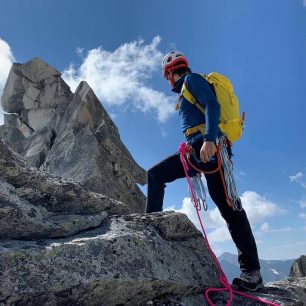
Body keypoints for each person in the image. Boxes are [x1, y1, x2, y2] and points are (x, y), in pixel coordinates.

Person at [145, 50, 264, 292]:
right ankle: (150, 230)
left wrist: (210, 139)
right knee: (156, 174)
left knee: (230, 207)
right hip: (195, 150)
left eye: (167, 75)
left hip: (210, 147)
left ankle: (252, 273)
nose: (168, 80)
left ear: (170, 74)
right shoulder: (187, 89)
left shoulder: (192, 80)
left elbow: (211, 103)